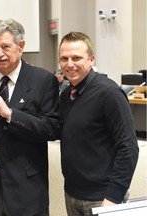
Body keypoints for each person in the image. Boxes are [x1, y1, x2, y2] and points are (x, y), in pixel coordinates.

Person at [0, 19, 61, 216]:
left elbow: (52, 128)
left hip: (27, 188)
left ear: (21, 47)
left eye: (5, 46)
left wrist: (11, 114)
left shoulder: (42, 80)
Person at [58, 31, 139, 216]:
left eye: (76, 58)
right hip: (71, 193)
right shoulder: (66, 95)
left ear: (91, 59)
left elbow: (128, 148)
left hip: (102, 197)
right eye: (64, 58)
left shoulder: (109, 93)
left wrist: (113, 198)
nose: (69, 64)